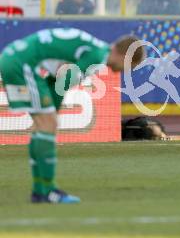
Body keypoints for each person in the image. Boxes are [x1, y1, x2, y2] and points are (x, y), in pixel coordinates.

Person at [0, 28, 146, 203]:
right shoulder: (96, 58)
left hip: (13, 59)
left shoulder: (96, 49)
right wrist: (53, 112)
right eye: (130, 66)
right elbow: (64, 81)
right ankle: (47, 190)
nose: (125, 71)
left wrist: (52, 111)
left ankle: (40, 190)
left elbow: (57, 81)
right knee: (48, 124)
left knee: (43, 126)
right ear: (125, 57)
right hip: (23, 65)